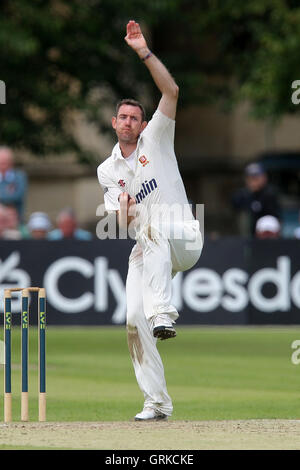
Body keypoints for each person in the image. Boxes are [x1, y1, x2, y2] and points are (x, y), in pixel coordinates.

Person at [97, 21, 202, 422]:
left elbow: (171, 92)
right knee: (130, 320)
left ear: (142, 125)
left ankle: (163, 313)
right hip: (150, 245)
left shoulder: (155, 138)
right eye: (121, 117)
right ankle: (156, 403)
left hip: (185, 237)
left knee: (154, 228)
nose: (127, 122)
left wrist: (143, 51)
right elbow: (123, 222)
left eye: (133, 118)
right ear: (114, 123)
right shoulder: (108, 170)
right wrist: (123, 205)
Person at [232, 162, 281, 236]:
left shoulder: (270, 193)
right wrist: (250, 193)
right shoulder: (242, 194)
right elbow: (235, 206)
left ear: (264, 177)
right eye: (251, 178)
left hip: (266, 231)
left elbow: (273, 215)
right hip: (248, 235)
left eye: (257, 177)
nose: (254, 181)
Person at [0, 147, 28, 222]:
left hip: (17, 220)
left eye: (5, 163)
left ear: (11, 163)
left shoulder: (19, 177)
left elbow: (17, 196)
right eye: (1, 163)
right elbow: (10, 197)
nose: (2, 166)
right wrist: (7, 193)